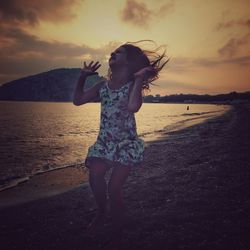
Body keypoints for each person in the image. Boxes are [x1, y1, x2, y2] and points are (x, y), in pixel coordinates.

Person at [73, 41, 168, 249]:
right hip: (105, 143)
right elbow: (78, 100)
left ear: (129, 62)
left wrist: (139, 80)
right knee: (95, 174)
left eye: (119, 52)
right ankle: (101, 211)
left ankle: (117, 233)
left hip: (126, 144)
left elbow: (133, 106)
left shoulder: (131, 87)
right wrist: (82, 77)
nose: (113, 53)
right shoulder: (102, 87)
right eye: (114, 51)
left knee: (114, 188)